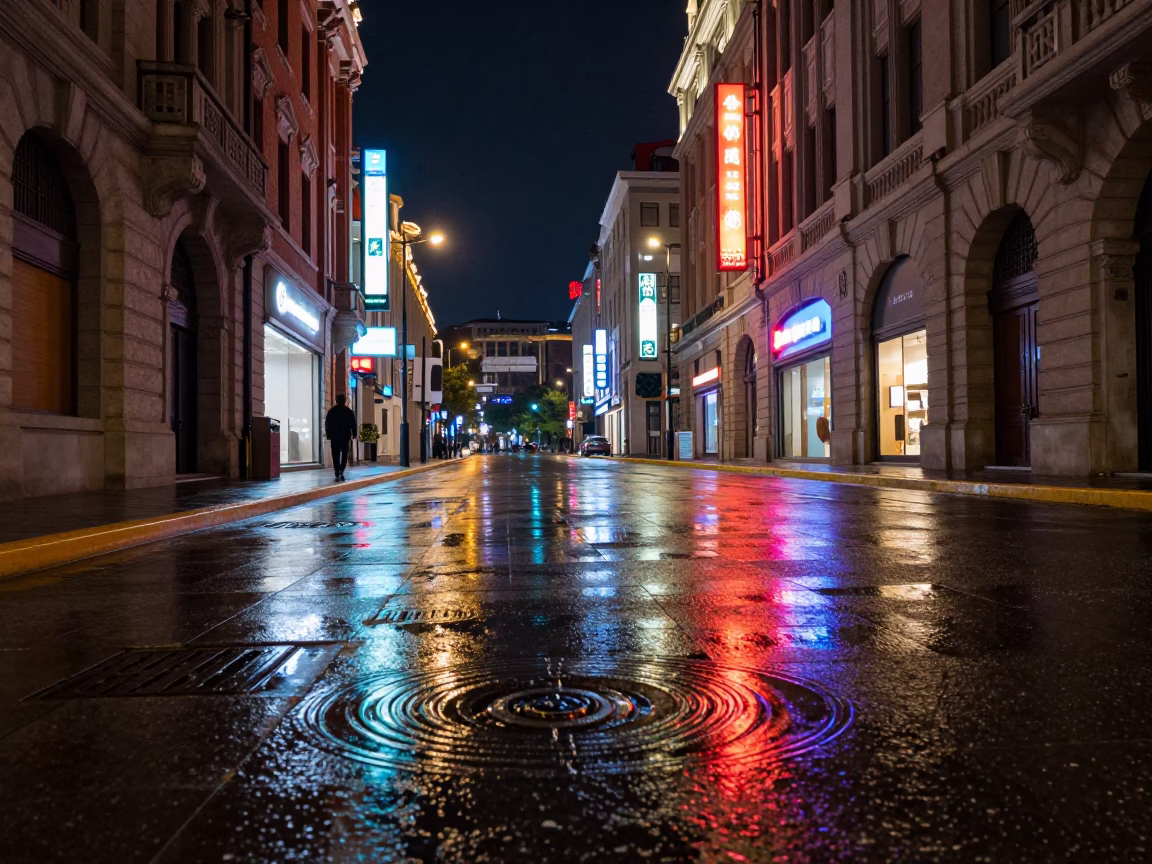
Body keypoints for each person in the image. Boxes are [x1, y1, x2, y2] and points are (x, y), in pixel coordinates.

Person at [324, 394, 356, 481]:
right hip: (345, 436)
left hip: (334, 436)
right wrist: (354, 434)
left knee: (335, 454)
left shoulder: (332, 411)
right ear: (345, 401)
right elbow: (353, 424)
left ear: (336, 400)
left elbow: (327, 424)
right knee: (345, 454)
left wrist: (328, 434)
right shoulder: (348, 411)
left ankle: (337, 470)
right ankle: (342, 469)